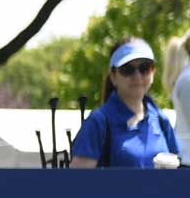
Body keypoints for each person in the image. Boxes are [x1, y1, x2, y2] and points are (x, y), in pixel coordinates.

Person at [72, 37, 181, 169]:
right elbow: (77, 184)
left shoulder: (160, 119)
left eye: (144, 68)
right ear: (113, 76)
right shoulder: (98, 122)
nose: (137, 76)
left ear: (153, 72)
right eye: (127, 69)